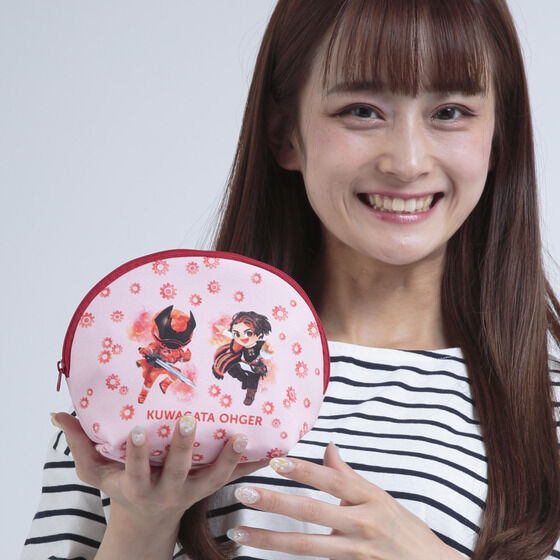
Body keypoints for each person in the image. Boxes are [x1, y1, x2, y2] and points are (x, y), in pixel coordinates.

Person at [22, 1, 560, 559]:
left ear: (498, 134)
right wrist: (142, 521)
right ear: (285, 134)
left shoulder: (546, 408)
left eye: (449, 113)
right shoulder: (140, 371)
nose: (406, 161)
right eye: (361, 111)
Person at [212, 311, 272, 406]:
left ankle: (250, 395)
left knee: (253, 380)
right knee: (232, 369)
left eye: (248, 333)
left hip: (255, 368)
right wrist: (224, 331)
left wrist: (268, 351)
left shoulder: (259, 345)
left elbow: (265, 354)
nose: (242, 338)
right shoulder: (239, 342)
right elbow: (234, 336)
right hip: (242, 364)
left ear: (259, 335)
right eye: (237, 334)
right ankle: (244, 379)